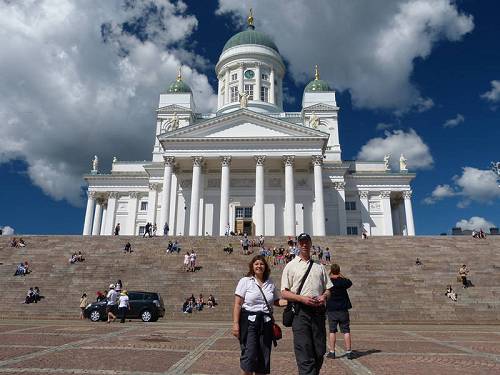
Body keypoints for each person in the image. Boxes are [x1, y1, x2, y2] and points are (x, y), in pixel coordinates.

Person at [281, 232, 332, 375]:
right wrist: (301, 299)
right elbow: (284, 293)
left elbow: (329, 289)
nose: (304, 244)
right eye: (301, 242)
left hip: (318, 312)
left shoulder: (319, 266)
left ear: (310, 244)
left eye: (306, 242)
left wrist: (324, 296)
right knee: (304, 350)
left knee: (319, 350)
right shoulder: (290, 266)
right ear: (298, 245)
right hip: (300, 313)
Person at [233, 255, 280, 375]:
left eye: (262, 264)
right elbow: (238, 304)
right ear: (252, 266)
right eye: (256, 264)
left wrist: (291, 300)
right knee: (249, 357)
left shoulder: (270, 283)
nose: (259, 266)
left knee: (263, 358)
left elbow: (275, 301)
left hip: (266, 323)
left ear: (266, 266)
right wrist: (235, 324)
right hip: (249, 323)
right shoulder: (245, 281)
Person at [326, 264, 353, 360]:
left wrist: (330, 275)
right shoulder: (343, 281)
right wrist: (340, 275)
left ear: (331, 271)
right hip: (343, 309)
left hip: (332, 310)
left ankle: (332, 352)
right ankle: (349, 351)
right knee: (346, 331)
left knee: (332, 331)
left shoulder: (328, 282)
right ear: (339, 271)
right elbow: (349, 282)